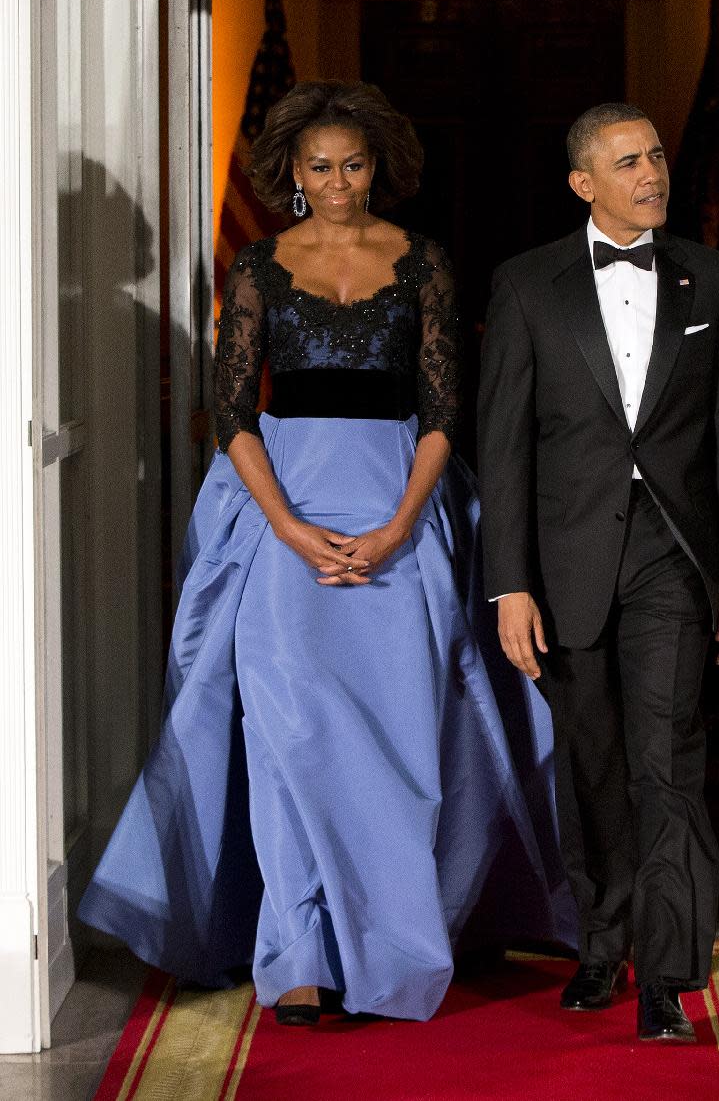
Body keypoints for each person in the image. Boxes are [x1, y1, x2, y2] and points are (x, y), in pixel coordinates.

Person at [80, 80, 571, 1026]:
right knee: (287, 743)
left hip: (402, 507)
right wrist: (291, 528)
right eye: (319, 167)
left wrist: (396, 526)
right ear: (291, 175)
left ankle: (394, 946)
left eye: (352, 164)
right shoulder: (258, 265)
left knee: (396, 748)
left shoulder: (421, 261)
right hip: (281, 515)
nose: (337, 181)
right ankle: (295, 953)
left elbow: (442, 410)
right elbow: (230, 413)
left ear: (377, 166)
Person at [477, 102, 719, 1043]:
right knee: (593, 765)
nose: (652, 173)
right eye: (628, 161)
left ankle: (667, 977)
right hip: (562, 566)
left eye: (657, 156)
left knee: (666, 763)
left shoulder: (712, 278)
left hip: (672, 561)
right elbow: (503, 445)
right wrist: (507, 582)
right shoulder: (525, 286)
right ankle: (603, 939)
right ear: (583, 183)